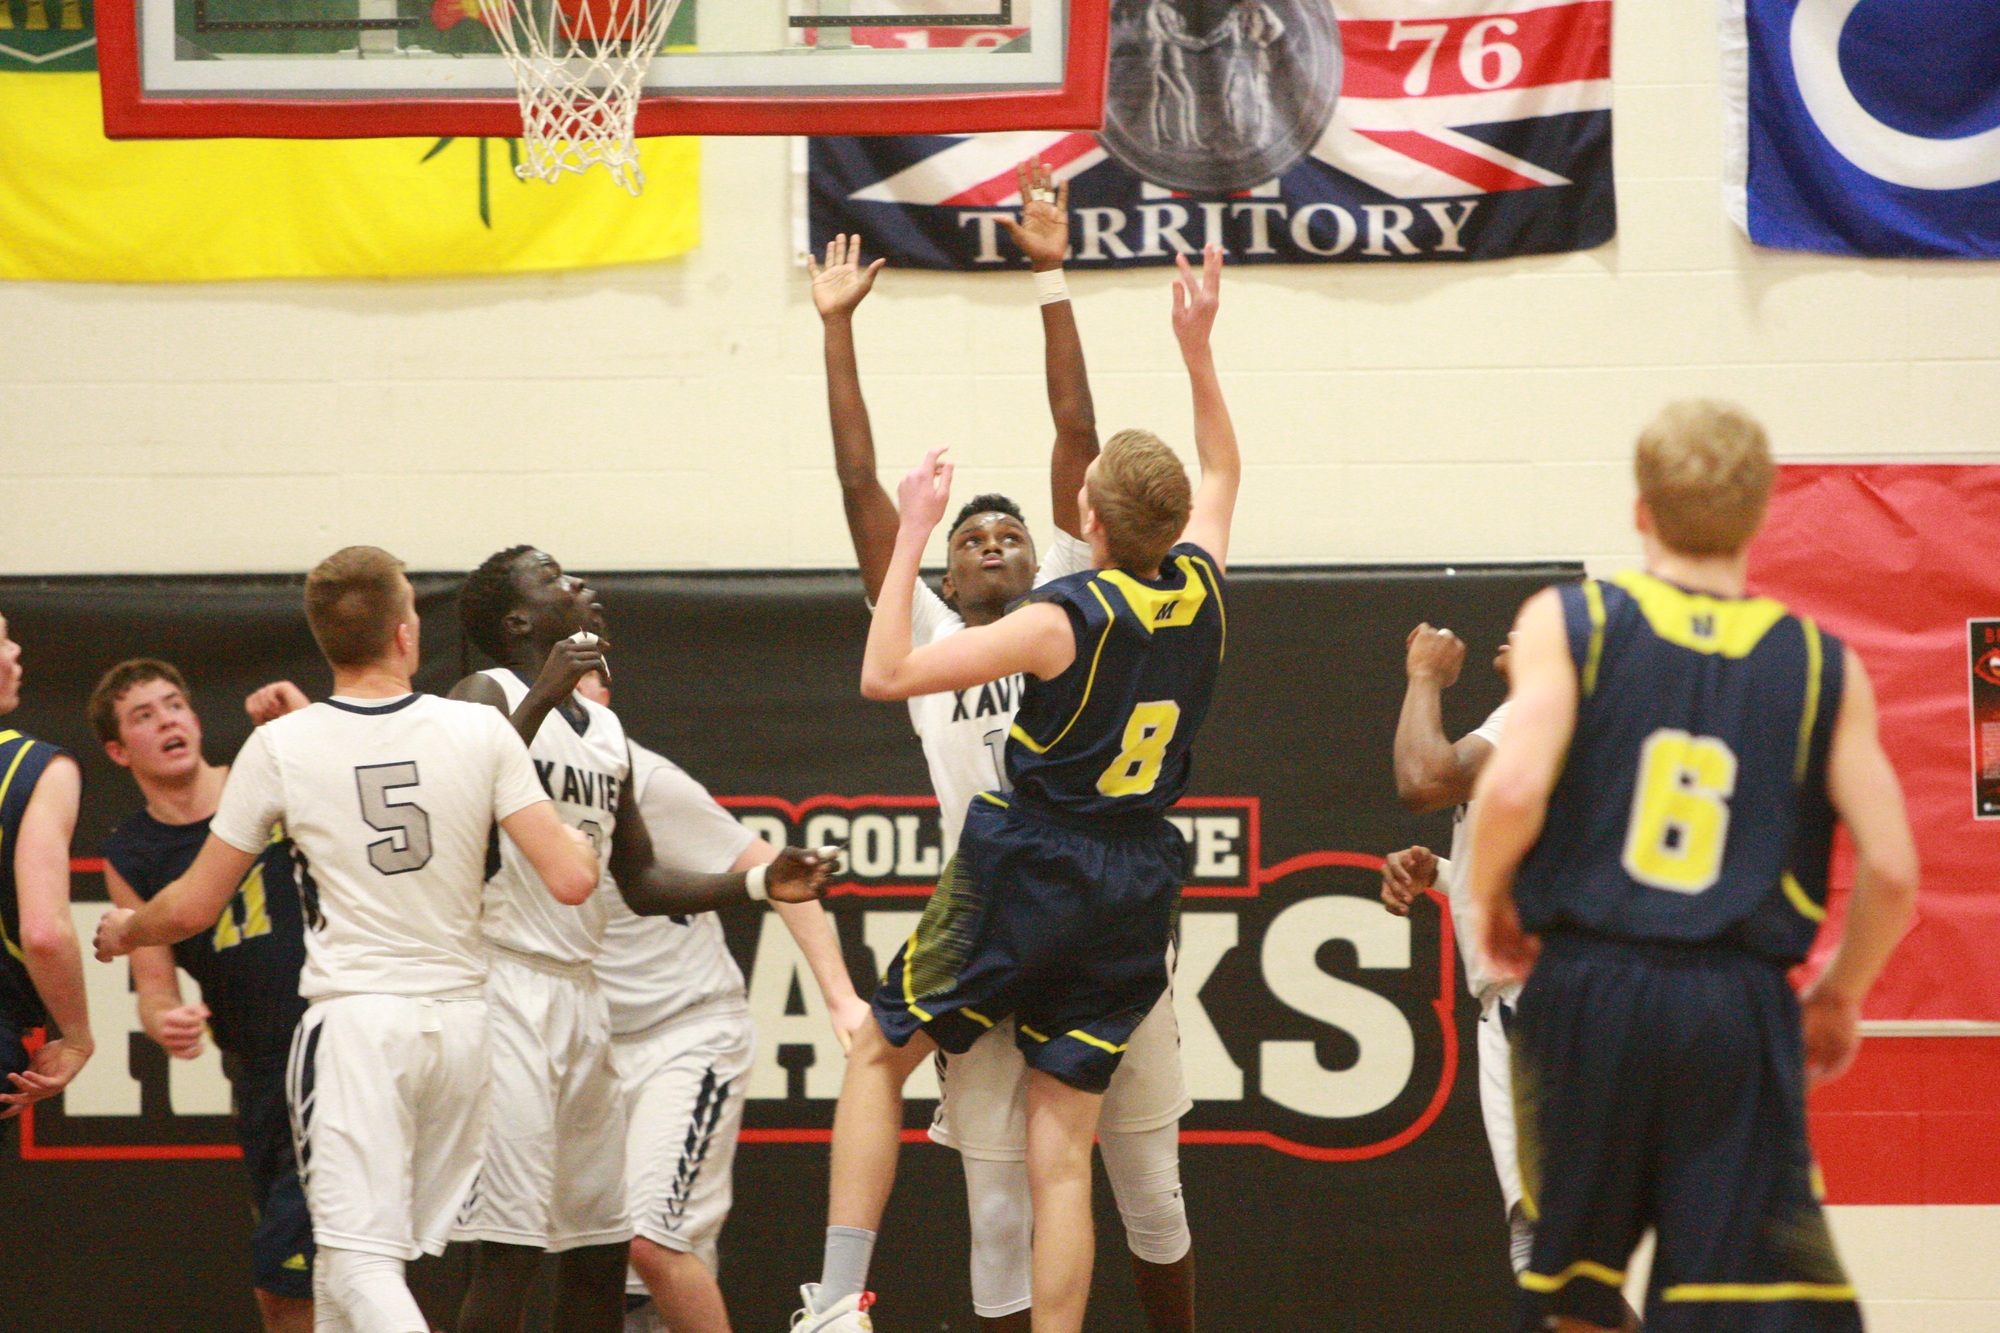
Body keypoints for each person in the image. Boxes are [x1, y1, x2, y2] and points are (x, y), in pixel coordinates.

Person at [792, 243, 1238, 1333]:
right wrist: (836, 329)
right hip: (1118, 879)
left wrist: (1052, 281)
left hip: (1025, 872)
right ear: (943, 576)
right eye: (969, 538)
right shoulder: (964, 613)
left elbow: (1076, 432)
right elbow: (856, 483)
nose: (992, 545)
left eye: (1012, 534)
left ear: (1071, 537)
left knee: (1139, 1187)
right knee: (1024, 1190)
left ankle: (836, 1297)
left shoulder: (1060, 609)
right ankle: (852, 1302)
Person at [1464, 401, 1920, 1333]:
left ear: (1642, 510)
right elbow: (1893, 870)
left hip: (1589, 989)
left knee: (1572, 1290)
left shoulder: (1572, 621)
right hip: (1732, 1003)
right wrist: (1839, 992)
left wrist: (1493, 896)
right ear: (1759, 517)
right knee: (1744, 1304)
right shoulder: (1820, 663)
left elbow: (1511, 791)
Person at [93, 544, 606, 1333]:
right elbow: (571, 878)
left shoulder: (282, 746)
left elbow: (192, 908)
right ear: (406, 633)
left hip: (360, 1026)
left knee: (359, 1262)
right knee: (343, 1264)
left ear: (325, 640)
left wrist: (129, 927)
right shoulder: (479, 729)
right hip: (465, 1030)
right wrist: (581, 841)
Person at [446, 547, 846, 1333]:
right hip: (505, 988)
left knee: (600, 1248)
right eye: (553, 578)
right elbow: (455, 809)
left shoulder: (605, 730)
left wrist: (760, 884)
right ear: (518, 620)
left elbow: (641, 880)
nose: (577, 585)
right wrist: (542, 697)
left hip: (583, 997)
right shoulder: (484, 694)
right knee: (510, 1250)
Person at [570, 672, 868, 1333]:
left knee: (651, 1241)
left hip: (686, 1030)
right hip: (586, 1044)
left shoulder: (645, 779)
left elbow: (782, 876)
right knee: (608, 1265)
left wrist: (841, 997)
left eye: (585, 678)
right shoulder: (509, 774)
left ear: (603, 694)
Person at [91, 659, 316, 1333]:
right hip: (256, 1076)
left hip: (329, 1047)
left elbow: (349, 786)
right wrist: (166, 1021)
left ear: (195, 716)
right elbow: (155, 987)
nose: (168, 721)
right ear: (117, 750)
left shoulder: (261, 777)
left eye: (175, 704)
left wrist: (304, 721)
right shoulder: (132, 851)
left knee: (291, 1279)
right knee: (302, 1289)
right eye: (144, 715)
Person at [1379, 625, 1529, 1274]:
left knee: (1551, 1254)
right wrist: (1442, 873)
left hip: (1541, 1004)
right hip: (1541, 996)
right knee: (1550, 1250)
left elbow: (1422, 779)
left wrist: (1424, 676)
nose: (1513, 629)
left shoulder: (1534, 715)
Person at [0, 611, 94, 1124]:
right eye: (2, 640)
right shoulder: (31, 768)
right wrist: (76, 1037)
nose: (15, 651)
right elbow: (44, 934)